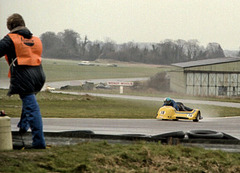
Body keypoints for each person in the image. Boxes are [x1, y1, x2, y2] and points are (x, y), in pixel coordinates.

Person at [0, 13, 46, 149]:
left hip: (24, 77)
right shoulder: (35, 39)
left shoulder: (10, 39)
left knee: (32, 108)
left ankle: (39, 142)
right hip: (39, 76)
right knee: (29, 102)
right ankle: (23, 127)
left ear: (10, 27)